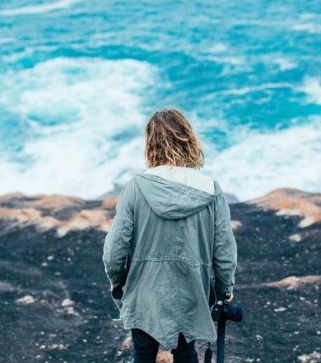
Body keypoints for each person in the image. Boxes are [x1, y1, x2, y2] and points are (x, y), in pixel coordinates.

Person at [102, 107, 238, 363]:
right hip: (190, 290)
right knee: (186, 352)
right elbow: (224, 251)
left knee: (143, 353)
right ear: (188, 140)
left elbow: (114, 251)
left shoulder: (135, 187)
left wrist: (117, 280)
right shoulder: (211, 189)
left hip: (144, 289)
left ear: (150, 144)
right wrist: (224, 289)